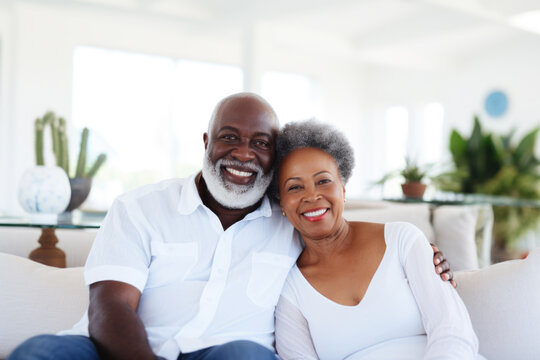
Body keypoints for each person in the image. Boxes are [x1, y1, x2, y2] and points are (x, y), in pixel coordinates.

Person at [9, 93, 454, 360]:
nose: (243, 153)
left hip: (228, 354)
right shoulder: (141, 207)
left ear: (273, 158)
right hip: (119, 351)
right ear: (207, 142)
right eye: (229, 137)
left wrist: (418, 254)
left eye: (260, 143)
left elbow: (336, 227)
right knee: (41, 353)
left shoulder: (290, 220)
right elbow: (110, 309)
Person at [272, 120, 483, 359]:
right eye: (294, 187)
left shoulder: (403, 240)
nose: (312, 195)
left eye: (323, 181)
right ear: (281, 204)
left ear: (342, 188)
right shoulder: (290, 290)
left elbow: (454, 333)